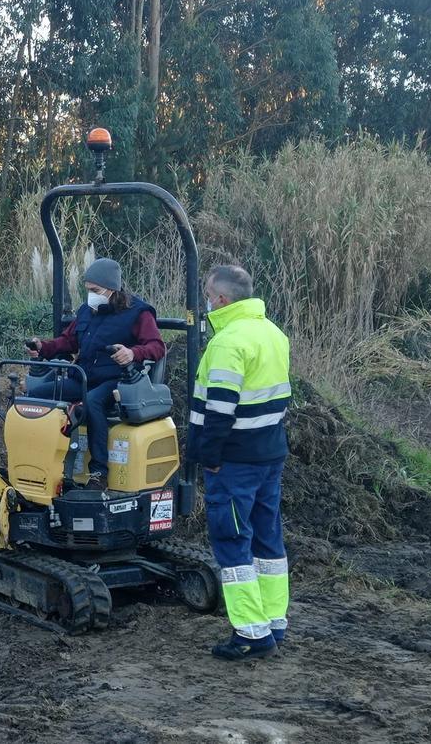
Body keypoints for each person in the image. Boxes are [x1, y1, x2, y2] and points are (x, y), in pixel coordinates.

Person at [189, 264, 291, 661]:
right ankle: (273, 622)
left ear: (222, 300)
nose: (206, 300)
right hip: (269, 455)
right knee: (268, 539)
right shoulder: (273, 333)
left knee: (233, 543)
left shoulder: (229, 342)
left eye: (208, 293)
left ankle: (250, 634)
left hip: (233, 462)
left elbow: (219, 409)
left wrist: (207, 458)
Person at [25, 257, 166, 489]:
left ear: (112, 288)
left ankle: (99, 472)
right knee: (35, 396)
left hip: (117, 382)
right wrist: (43, 347)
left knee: (92, 402)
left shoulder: (139, 313)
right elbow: (68, 341)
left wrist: (132, 353)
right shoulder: (86, 311)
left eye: (95, 290)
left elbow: (157, 346)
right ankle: (37, 462)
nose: (90, 294)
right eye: (88, 289)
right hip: (82, 377)